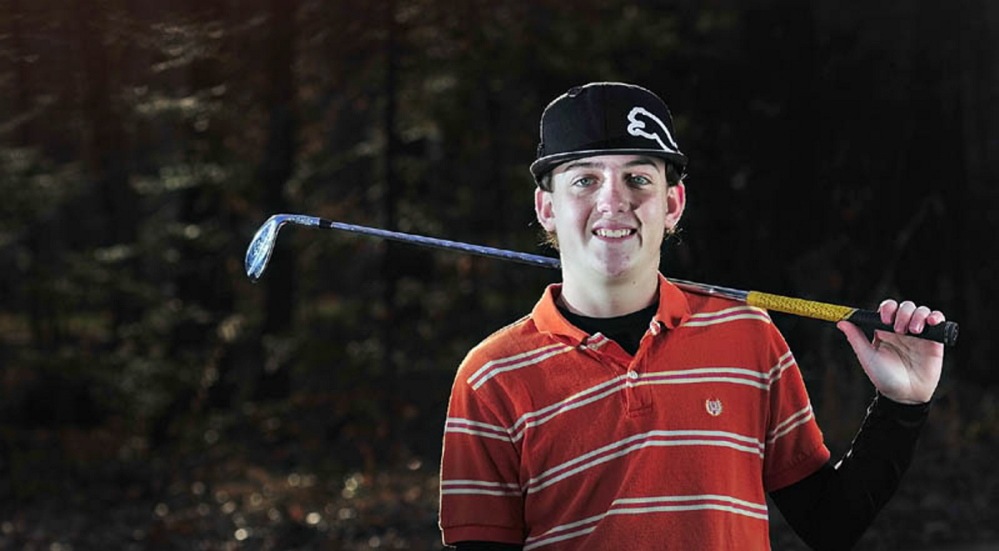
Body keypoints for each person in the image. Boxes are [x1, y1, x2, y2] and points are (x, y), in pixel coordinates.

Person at [438, 82, 946, 551]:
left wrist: (902, 406)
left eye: (638, 178)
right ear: (547, 208)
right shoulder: (491, 376)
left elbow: (830, 524)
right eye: (585, 180)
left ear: (673, 204)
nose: (613, 200)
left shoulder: (747, 335)